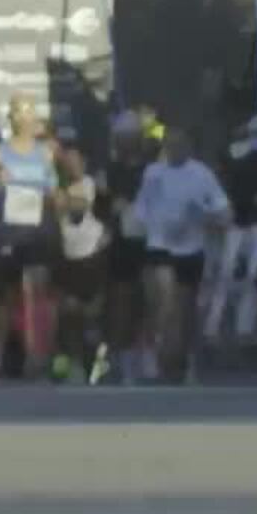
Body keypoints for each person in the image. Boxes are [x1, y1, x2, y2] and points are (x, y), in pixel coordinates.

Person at [0, 94, 61, 380]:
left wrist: (63, 200)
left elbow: (52, 192)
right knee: (5, 298)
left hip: (37, 232)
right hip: (8, 232)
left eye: (30, 114)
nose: (26, 120)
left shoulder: (45, 153)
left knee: (36, 290)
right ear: (11, 120)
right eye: (20, 115)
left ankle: (37, 357)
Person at [134, 126, 231, 383]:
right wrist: (145, 226)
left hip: (191, 248)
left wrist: (205, 217)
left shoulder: (201, 174)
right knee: (164, 301)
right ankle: (156, 356)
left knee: (185, 308)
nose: (174, 150)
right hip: (158, 245)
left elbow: (224, 212)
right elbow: (141, 208)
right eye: (170, 145)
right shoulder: (153, 173)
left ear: (189, 147)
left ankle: (183, 359)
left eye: (180, 145)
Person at [101, 113, 155, 385]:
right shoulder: (110, 171)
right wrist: (110, 205)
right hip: (121, 244)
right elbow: (101, 206)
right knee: (122, 300)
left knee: (149, 298)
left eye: (131, 138)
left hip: (152, 242)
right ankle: (124, 360)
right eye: (121, 139)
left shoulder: (153, 169)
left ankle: (148, 354)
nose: (126, 144)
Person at [54, 144, 108, 383]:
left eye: (75, 161)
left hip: (92, 259)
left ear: (83, 163)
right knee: (69, 313)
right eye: (67, 161)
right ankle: (73, 364)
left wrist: (58, 198)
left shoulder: (90, 184)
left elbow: (80, 206)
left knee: (91, 315)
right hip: (66, 258)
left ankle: (96, 363)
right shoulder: (55, 187)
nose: (71, 165)